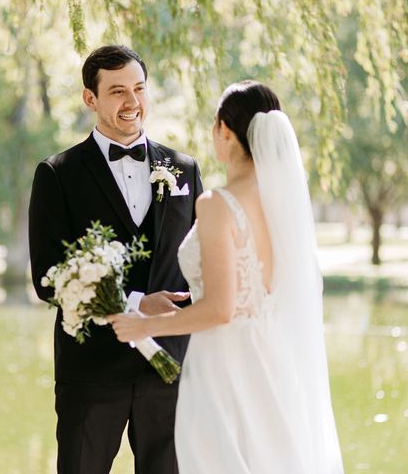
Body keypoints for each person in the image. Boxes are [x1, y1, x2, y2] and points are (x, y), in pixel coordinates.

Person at [108, 81, 344, 473]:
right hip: (273, 357)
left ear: (224, 131)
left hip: (225, 363)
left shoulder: (218, 204)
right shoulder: (281, 202)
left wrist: (144, 324)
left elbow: (219, 309)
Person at [28, 45, 203, 474]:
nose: (132, 103)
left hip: (170, 370)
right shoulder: (58, 174)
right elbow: (48, 280)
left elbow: (204, 263)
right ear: (91, 99)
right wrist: (135, 303)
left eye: (139, 89)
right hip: (91, 371)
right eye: (118, 91)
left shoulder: (184, 169)